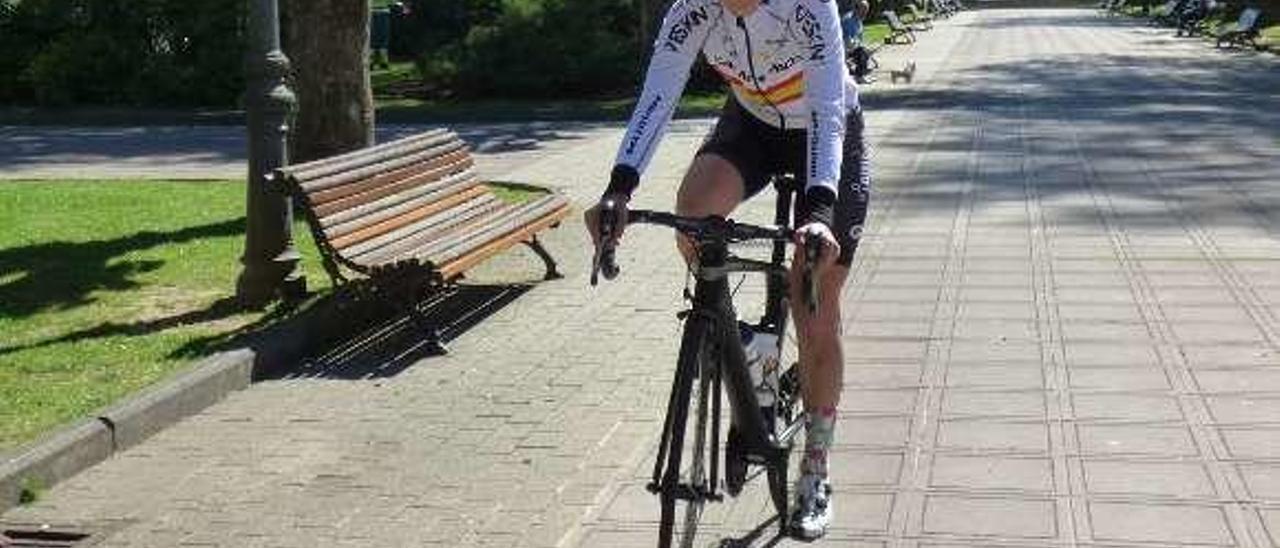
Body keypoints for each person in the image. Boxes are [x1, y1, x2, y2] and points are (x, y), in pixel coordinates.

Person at [584, 0, 870, 539]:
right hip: (753, 125)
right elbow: (659, 96)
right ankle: (743, 347)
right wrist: (619, 188)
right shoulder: (690, 11)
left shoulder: (809, 7)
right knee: (693, 214)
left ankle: (815, 471)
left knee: (815, 302)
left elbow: (830, 105)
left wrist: (820, 214)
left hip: (824, 130)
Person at [843, 0, 874, 84]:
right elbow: (847, 39)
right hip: (845, 48)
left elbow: (859, 38)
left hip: (853, 46)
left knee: (865, 50)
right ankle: (859, 77)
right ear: (856, 9)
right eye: (863, 10)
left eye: (866, 10)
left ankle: (860, 74)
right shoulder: (848, 20)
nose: (865, 13)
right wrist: (856, 45)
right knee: (862, 52)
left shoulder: (859, 20)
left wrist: (864, 46)